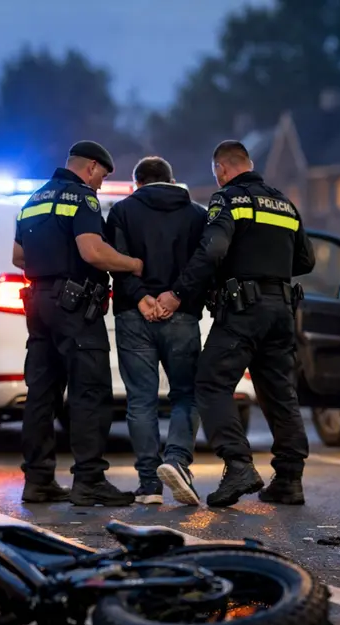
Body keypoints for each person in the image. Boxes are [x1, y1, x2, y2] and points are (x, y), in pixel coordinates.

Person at [166, 140, 315, 507]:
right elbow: (306, 260)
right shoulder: (284, 203)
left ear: (221, 169)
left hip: (243, 311)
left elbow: (213, 250)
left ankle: (238, 466)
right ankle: (289, 480)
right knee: (279, 392)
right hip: (281, 310)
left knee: (210, 383)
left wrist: (180, 292)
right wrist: (269, 266)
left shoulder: (228, 199)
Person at [13, 140, 143, 507]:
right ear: (91, 167)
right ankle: (89, 481)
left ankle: (38, 481)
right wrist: (134, 264)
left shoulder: (32, 201)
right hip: (74, 307)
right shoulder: (83, 198)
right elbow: (92, 251)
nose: (101, 183)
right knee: (90, 390)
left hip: (38, 304)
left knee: (41, 393)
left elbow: (19, 256)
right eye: (102, 175)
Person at [105, 156, 206, 506]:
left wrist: (141, 297)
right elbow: (202, 264)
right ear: (172, 180)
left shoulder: (121, 212)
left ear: (137, 184)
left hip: (134, 316)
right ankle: (176, 461)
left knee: (141, 400)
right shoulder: (196, 214)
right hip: (182, 314)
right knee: (186, 394)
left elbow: (115, 262)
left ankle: (149, 484)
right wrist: (175, 296)